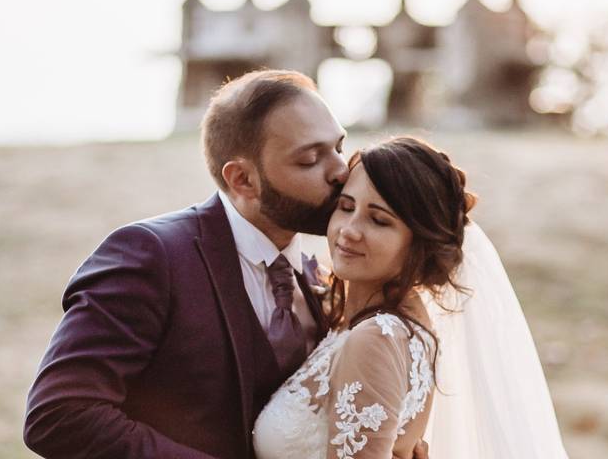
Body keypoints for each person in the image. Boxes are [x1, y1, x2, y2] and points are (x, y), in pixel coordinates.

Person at [23, 70, 429, 459]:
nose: (341, 171)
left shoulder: (317, 275)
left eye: (339, 147)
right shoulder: (151, 256)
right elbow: (59, 414)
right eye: (310, 160)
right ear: (242, 180)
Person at [253, 136, 570, 459]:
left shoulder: (376, 338)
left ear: (419, 243)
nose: (349, 229)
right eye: (346, 207)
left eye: (379, 220)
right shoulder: (391, 322)